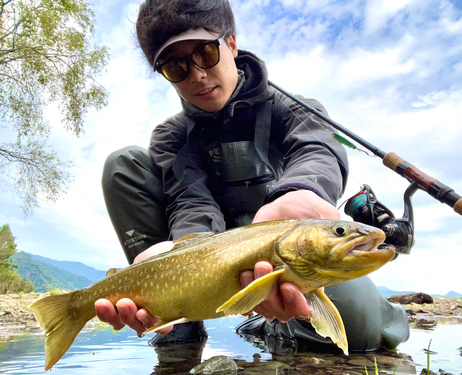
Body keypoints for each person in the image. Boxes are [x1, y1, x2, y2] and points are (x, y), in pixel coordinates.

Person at [95, 0, 409, 353]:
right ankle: (175, 313)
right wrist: (182, 256)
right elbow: (189, 199)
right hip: (214, 255)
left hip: (286, 244)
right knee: (123, 162)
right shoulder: (171, 136)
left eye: (206, 54)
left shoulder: (293, 109)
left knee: (363, 333)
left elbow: (318, 150)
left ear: (230, 44)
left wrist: (302, 193)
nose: (197, 74)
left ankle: (265, 320)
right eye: (176, 67)